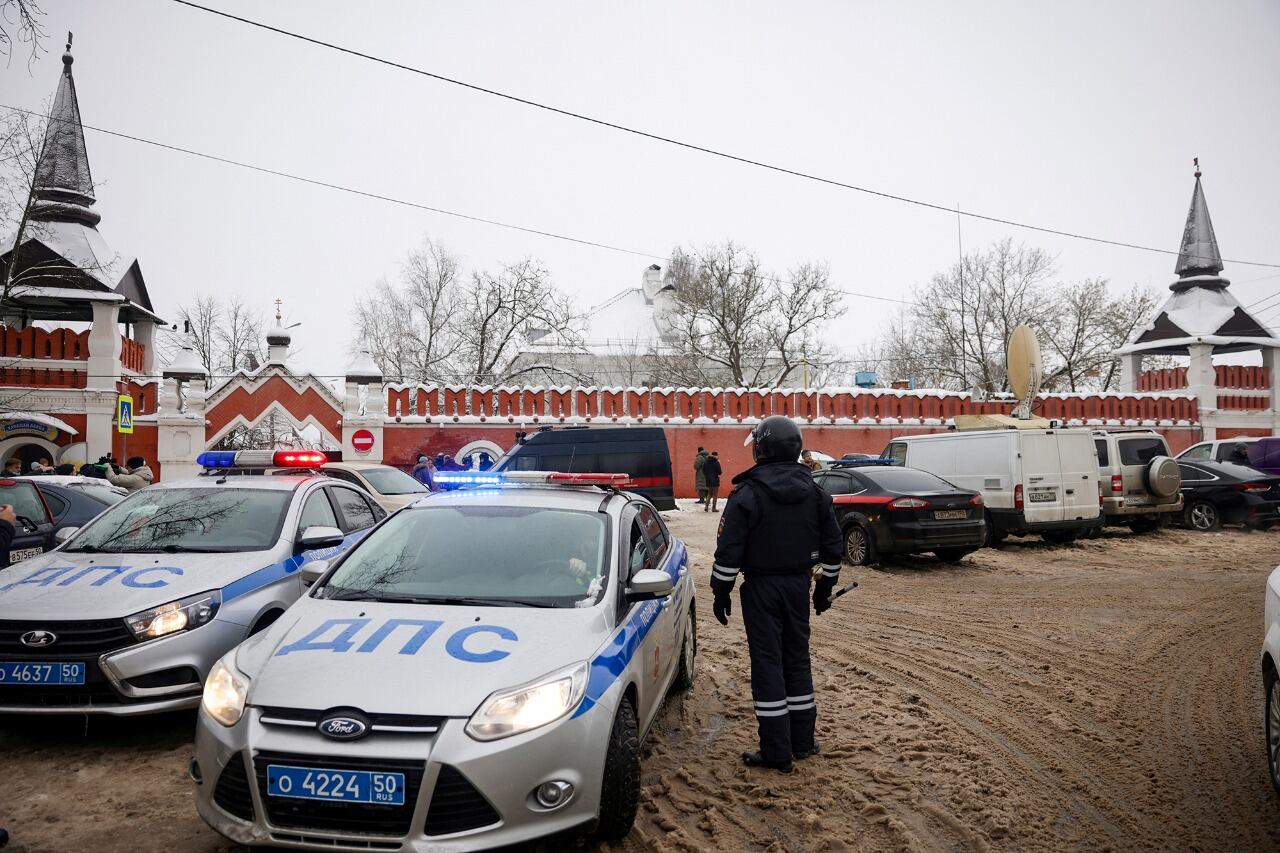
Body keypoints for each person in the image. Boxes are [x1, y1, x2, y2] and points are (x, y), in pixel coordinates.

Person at [711, 415, 842, 773]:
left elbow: (728, 550)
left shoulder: (747, 493)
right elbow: (833, 548)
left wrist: (720, 592)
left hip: (761, 588)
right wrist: (824, 589)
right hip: (798, 586)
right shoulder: (816, 492)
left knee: (768, 664)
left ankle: (776, 751)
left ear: (761, 449)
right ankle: (802, 741)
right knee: (797, 660)